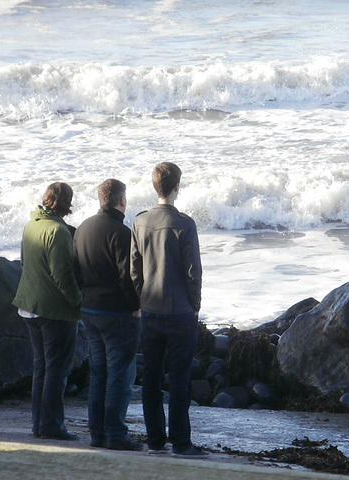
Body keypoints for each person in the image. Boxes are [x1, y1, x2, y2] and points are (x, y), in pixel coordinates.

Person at [130, 162, 208, 458]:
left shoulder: (139, 222)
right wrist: (195, 306)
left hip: (149, 311)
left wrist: (142, 300)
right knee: (179, 379)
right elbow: (193, 272)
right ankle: (181, 442)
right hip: (179, 313)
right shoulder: (185, 224)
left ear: (155, 187)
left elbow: (134, 270)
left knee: (150, 378)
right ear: (177, 187)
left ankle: (155, 441)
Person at [72, 179, 142, 451]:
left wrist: (85, 296)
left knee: (98, 373)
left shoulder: (83, 228)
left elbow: (74, 269)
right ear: (121, 201)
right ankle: (115, 433)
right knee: (120, 374)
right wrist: (134, 307)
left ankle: (97, 433)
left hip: (89, 309)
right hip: (116, 313)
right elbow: (129, 278)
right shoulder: (121, 233)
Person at [13, 182, 82, 441]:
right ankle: (51, 426)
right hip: (54, 311)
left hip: (28, 306)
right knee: (56, 370)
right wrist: (78, 301)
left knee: (41, 368)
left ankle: (38, 424)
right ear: (67, 203)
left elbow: (23, 261)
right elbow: (62, 275)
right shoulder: (59, 231)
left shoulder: (31, 224)